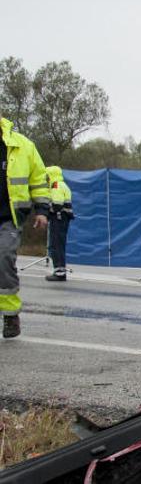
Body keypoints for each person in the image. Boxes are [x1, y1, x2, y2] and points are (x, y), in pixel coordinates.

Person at [0, 114, 50, 338]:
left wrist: (42, 211)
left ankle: (10, 314)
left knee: (3, 259)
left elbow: (38, 179)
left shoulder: (23, 146)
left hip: (7, 218)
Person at [45, 166, 75, 282]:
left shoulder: (56, 185)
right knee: (59, 245)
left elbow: (57, 204)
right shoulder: (62, 184)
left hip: (58, 218)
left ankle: (59, 272)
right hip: (63, 219)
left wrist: (46, 209)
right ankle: (60, 270)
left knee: (56, 245)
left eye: (47, 176)